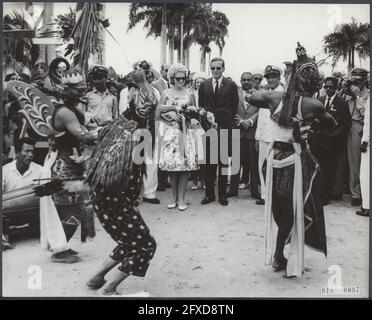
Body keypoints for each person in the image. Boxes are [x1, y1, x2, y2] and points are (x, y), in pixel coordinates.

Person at [248, 43, 336, 277]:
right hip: (295, 163)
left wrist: (268, 93)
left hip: (273, 161)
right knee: (297, 211)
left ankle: (279, 255)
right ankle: (284, 256)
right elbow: (331, 124)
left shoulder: (274, 97)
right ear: (313, 83)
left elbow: (253, 97)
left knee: (282, 212)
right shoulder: (313, 105)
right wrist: (309, 124)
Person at [86, 69, 157, 296]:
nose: (149, 111)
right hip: (113, 198)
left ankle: (96, 278)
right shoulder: (136, 133)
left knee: (131, 239)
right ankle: (108, 289)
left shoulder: (118, 123)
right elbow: (120, 173)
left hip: (104, 196)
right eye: (148, 107)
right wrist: (130, 196)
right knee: (145, 245)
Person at [156, 63, 200, 211]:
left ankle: (182, 198)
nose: (181, 80)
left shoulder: (190, 93)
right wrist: (170, 119)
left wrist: (192, 118)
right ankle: (173, 197)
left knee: (184, 168)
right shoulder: (166, 94)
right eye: (178, 78)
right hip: (171, 135)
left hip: (186, 133)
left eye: (183, 78)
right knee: (173, 168)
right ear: (172, 78)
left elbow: (196, 114)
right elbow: (157, 115)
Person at [198, 57, 239, 206]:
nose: (215, 71)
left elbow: (234, 106)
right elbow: (201, 106)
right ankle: (209, 195)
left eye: (218, 68)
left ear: (223, 68)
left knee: (223, 162)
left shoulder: (231, 85)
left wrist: (224, 118)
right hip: (209, 129)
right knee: (209, 163)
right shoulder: (204, 85)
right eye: (213, 68)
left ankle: (222, 195)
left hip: (225, 127)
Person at [309, 76, 352, 204]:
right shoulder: (319, 100)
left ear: (336, 88)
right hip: (318, 139)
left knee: (329, 168)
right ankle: (317, 192)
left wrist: (333, 136)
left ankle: (326, 196)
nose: (328, 89)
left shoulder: (342, 103)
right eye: (326, 87)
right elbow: (313, 117)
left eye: (331, 87)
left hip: (332, 142)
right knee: (318, 167)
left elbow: (346, 123)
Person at [2, 138, 42, 246]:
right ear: (17, 153)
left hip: (32, 213)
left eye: (32, 151)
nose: (30, 155)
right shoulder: (5, 170)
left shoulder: (40, 170)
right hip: (8, 214)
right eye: (26, 151)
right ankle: (3, 240)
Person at [227, 72, 260, 200]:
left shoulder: (259, 94)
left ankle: (254, 191)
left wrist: (250, 121)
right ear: (240, 81)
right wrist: (240, 121)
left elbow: (261, 111)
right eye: (243, 80)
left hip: (252, 132)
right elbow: (231, 110)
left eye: (248, 79)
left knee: (253, 163)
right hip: (237, 131)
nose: (246, 82)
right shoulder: (235, 94)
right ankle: (233, 189)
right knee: (236, 162)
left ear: (252, 81)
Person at [255, 65, 284, 205]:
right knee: (262, 166)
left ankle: (275, 196)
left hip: (275, 137)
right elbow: (261, 116)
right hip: (263, 137)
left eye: (274, 77)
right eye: (269, 77)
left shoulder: (283, 94)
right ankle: (265, 195)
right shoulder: (264, 93)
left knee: (276, 167)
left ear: (279, 78)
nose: (271, 80)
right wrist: (257, 137)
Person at [344, 68, 369, 207]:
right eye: (354, 80)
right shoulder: (349, 93)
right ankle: (350, 190)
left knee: (357, 163)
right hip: (346, 127)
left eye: (359, 80)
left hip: (359, 126)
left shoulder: (367, 94)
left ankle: (357, 194)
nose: (357, 83)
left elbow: (366, 113)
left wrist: (358, 96)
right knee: (348, 161)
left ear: (365, 80)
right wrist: (344, 89)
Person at [152, 63, 171, 191]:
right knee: (159, 152)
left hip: (171, 123)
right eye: (166, 70)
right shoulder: (155, 84)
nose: (168, 72)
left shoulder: (174, 83)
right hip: (160, 121)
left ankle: (164, 178)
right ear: (161, 71)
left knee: (167, 151)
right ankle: (159, 181)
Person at [356, 96, 369, 217]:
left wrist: (365, 141)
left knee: (365, 176)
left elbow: (368, 121)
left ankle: (366, 207)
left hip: (368, 144)